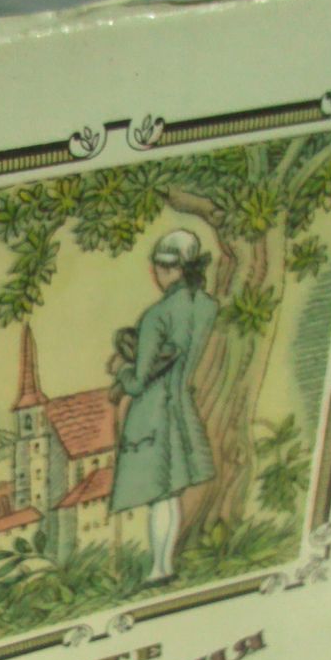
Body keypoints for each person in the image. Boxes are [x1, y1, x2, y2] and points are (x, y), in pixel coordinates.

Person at [108, 228, 217, 586]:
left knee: (159, 495)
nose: (154, 273)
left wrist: (120, 369)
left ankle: (159, 569)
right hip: (182, 406)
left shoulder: (157, 315)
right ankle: (164, 565)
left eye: (157, 266)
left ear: (168, 268)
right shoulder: (206, 306)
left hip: (153, 412)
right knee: (171, 493)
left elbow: (139, 381)